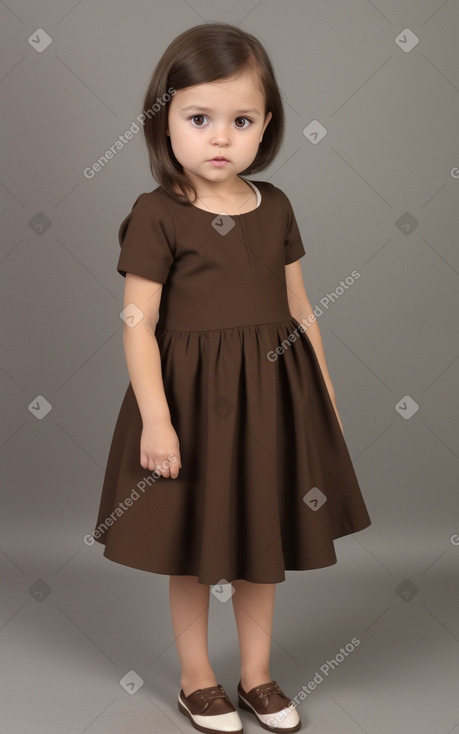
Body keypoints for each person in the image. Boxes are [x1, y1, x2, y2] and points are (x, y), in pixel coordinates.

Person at [92, 22, 372, 734]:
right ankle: (196, 680)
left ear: (265, 125)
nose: (220, 138)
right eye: (199, 119)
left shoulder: (273, 206)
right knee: (190, 544)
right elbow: (136, 323)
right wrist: (156, 418)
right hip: (187, 404)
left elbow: (300, 309)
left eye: (240, 120)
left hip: (270, 401)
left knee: (260, 537)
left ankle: (256, 676)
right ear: (165, 122)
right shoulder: (158, 216)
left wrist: (326, 404)